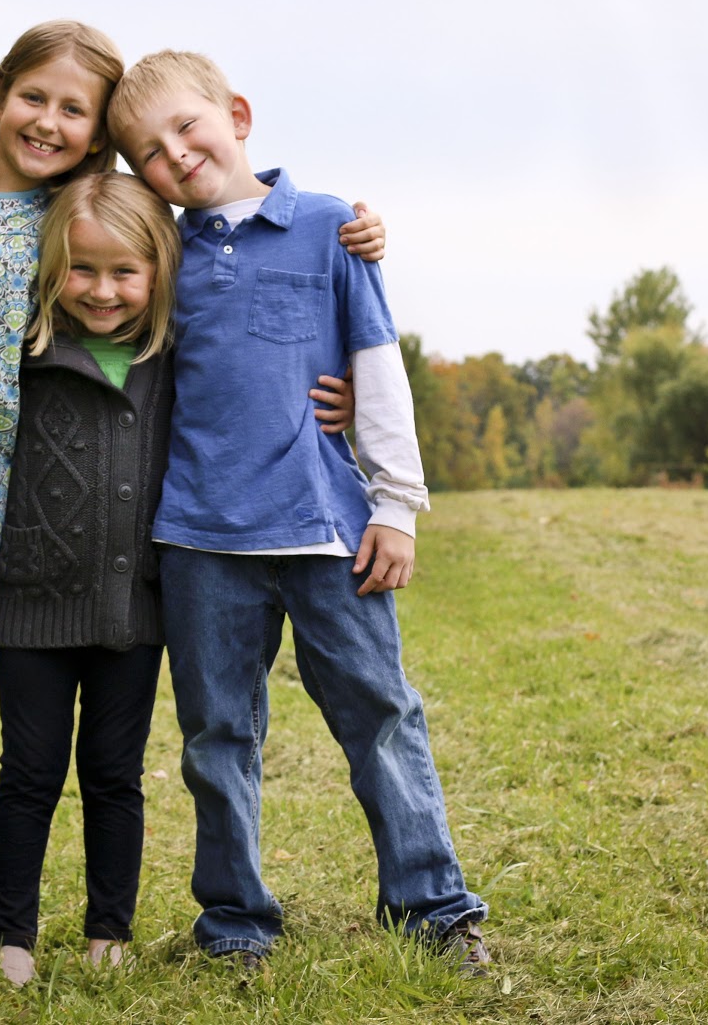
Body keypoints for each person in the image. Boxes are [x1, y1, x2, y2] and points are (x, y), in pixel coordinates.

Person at [0, 23, 384, 984]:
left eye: (74, 111)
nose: (48, 121)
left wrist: (342, 309)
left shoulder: (72, 232)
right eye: (34, 97)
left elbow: (215, 273)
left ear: (97, 141)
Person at [104, 49, 491, 974]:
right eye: (150, 151)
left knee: (380, 715)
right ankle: (236, 922)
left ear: (236, 115)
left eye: (187, 127)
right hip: (201, 538)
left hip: (326, 529)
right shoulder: (160, 254)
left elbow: (377, 368)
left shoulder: (330, 227)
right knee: (217, 737)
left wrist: (396, 505)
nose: (175, 154)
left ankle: (433, 907)